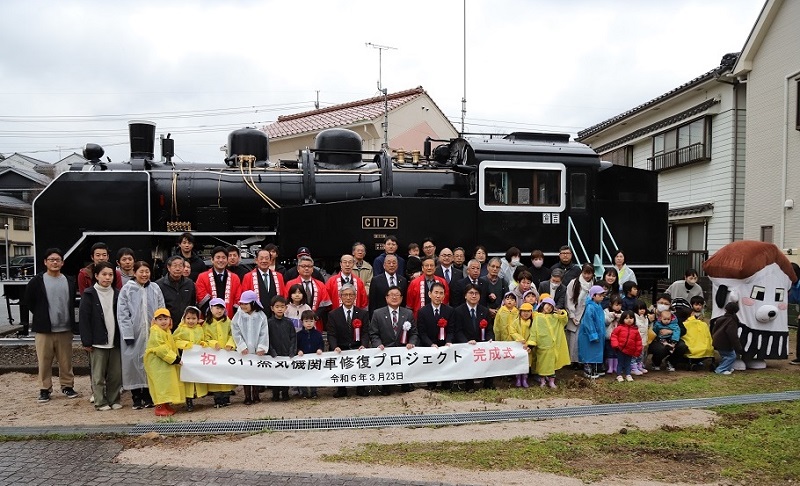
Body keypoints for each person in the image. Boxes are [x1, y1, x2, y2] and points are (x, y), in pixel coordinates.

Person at [25, 248, 80, 403]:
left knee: (66, 361)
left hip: (65, 329)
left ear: (62, 262)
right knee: (44, 361)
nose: (55, 262)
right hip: (44, 330)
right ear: (45, 262)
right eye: (51, 260)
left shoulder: (69, 281)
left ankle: (67, 386)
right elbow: (29, 301)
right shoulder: (37, 281)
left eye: (57, 259)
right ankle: (44, 389)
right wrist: (41, 315)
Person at [118, 261, 165, 409]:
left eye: (147, 271)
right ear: (135, 272)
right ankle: (136, 397)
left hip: (152, 333)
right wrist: (127, 333)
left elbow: (161, 310)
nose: (144, 275)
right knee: (132, 364)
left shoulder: (155, 288)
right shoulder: (127, 290)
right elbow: (122, 314)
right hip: (134, 333)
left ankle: (148, 395)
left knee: (150, 364)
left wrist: (161, 330)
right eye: (141, 272)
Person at [78, 261, 122, 411]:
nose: (107, 277)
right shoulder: (89, 294)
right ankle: (100, 401)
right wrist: (86, 341)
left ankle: (114, 399)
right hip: (97, 342)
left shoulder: (117, 293)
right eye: (104, 274)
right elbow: (84, 319)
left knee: (115, 375)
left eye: (110, 274)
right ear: (96, 276)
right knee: (98, 376)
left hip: (115, 341)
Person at [369, 285, 417, 395]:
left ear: (401, 298)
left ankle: (406, 384)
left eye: (397, 295)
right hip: (386, 349)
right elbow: (373, 333)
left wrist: (411, 342)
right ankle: (386, 386)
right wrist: (378, 344)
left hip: (403, 349)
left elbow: (414, 332)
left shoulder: (408, 313)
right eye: (391, 295)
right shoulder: (377, 313)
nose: (394, 297)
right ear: (386, 298)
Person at [327, 283, 369, 398]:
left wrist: (364, 345)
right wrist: (335, 346)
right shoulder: (333, 314)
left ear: (355, 296)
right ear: (341, 297)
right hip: (341, 347)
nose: (348, 297)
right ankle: (341, 389)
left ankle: (361, 388)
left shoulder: (363, 313)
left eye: (351, 295)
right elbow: (331, 334)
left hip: (357, 346)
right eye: (345, 295)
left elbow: (365, 333)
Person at [453, 283, 494, 391]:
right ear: (465, 295)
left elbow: (489, 329)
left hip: (482, 343)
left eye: (476, 293)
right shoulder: (458, 311)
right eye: (471, 293)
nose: (474, 296)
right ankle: (469, 385)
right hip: (466, 343)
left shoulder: (484, 311)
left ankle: (488, 383)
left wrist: (490, 339)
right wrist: (466, 342)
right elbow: (457, 331)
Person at [144, 308, 184, 417]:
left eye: (165, 318)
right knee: (160, 384)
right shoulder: (156, 331)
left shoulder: (166, 331)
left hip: (165, 363)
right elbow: (161, 348)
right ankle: (160, 407)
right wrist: (175, 358)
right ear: (155, 321)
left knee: (166, 384)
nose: (163, 321)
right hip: (157, 364)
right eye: (160, 319)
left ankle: (165, 404)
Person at [231, 290, 269, 405]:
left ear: (253, 303)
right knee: (246, 374)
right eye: (241, 304)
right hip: (244, 351)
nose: (243, 306)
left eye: (246, 304)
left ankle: (256, 394)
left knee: (256, 373)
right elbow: (235, 332)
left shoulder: (261, 316)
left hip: (257, 350)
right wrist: (241, 346)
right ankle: (247, 396)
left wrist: (261, 347)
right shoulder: (238, 316)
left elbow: (264, 333)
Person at [527, 297, 570, 388]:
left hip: (553, 346)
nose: (549, 308)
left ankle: (551, 381)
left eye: (551, 306)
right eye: (548, 305)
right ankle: (542, 381)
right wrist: (531, 344)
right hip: (543, 345)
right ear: (542, 305)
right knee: (542, 365)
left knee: (552, 365)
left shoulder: (554, 317)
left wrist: (562, 313)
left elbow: (564, 320)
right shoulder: (537, 317)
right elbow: (534, 331)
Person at [172, 306, 208, 412]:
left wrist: (203, 343)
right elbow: (175, 340)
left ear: (198, 319)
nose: (191, 321)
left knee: (196, 378)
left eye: (193, 318)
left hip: (196, 358)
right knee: (187, 379)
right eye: (188, 318)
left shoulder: (200, 329)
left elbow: (204, 339)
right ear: (184, 318)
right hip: (185, 358)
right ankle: (188, 400)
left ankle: (195, 395)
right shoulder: (181, 329)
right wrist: (185, 344)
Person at [284, 255, 332, 331]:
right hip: (295, 322)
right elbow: (286, 302)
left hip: (315, 321)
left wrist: (313, 317)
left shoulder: (320, 285)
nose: (306, 268)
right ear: (298, 268)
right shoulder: (290, 284)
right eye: (303, 266)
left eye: (309, 266)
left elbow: (325, 304)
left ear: (313, 269)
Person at [203, 298, 235, 407]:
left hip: (227, 353)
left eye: (221, 308)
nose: (219, 311)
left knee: (227, 375)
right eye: (216, 308)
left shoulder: (228, 321)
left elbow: (233, 334)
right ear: (211, 309)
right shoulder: (206, 324)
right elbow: (205, 338)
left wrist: (230, 343)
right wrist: (213, 343)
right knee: (215, 376)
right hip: (214, 354)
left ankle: (226, 397)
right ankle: (217, 399)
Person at [195, 246, 242, 318]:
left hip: (229, 320)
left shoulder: (235, 278)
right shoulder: (202, 277)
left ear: (227, 260)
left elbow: (238, 298)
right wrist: (211, 315)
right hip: (208, 320)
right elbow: (201, 298)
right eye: (218, 257)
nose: (221, 260)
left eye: (223, 258)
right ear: (212, 260)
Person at [239, 248, 285, 319]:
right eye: (261, 258)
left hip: (275, 317)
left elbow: (283, 295)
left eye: (267, 258)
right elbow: (245, 299)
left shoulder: (279, 276)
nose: (264, 261)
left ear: (270, 261)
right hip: (255, 317)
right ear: (256, 260)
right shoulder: (248, 277)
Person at [267, 295, 297, 401]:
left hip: (286, 353)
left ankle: (285, 393)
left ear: (286, 308)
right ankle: (275, 394)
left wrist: (292, 350)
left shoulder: (288, 322)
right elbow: (267, 339)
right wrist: (271, 351)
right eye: (277, 306)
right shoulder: (269, 323)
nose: (280, 309)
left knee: (285, 374)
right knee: (274, 374)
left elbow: (293, 337)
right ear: (272, 308)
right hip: (274, 354)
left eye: (282, 306)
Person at [565, 264, 595, 368]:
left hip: (588, 314)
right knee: (574, 339)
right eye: (585, 273)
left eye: (589, 273)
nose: (587, 276)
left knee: (585, 338)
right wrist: (572, 315)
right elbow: (569, 299)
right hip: (576, 314)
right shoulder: (574, 283)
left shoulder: (593, 284)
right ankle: (574, 361)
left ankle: (584, 360)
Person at [155, 255, 196, 330]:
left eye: (180, 266)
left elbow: (192, 303)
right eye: (175, 266)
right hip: (166, 325)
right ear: (169, 267)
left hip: (186, 325)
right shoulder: (159, 284)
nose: (178, 269)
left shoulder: (189, 283)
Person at [578, 285, 606, 379]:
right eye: (600, 295)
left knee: (595, 352)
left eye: (603, 295)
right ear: (593, 295)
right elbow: (588, 323)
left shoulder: (598, 306)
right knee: (589, 352)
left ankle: (595, 367)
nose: (602, 297)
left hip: (598, 333)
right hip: (589, 335)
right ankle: (587, 368)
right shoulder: (590, 307)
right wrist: (593, 335)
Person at [297, 309, 325, 399]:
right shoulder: (299, 335)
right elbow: (295, 345)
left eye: (311, 321)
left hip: (314, 359)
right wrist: (298, 351)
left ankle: (314, 392)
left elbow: (321, 344)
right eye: (306, 321)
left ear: (315, 322)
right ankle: (304, 392)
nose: (309, 323)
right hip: (302, 360)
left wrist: (320, 349)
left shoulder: (318, 334)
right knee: (302, 375)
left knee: (313, 375)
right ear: (302, 322)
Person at [610, 310, 644, 382]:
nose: (629, 320)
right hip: (620, 349)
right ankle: (619, 375)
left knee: (628, 363)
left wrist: (638, 351)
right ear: (623, 319)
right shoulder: (619, 328)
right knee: (620, 362)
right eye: (627, 318)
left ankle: (628, 374)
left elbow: (638, 341)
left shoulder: (635, 330)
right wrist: (615, 345)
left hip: (630, 350)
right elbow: (613, 336)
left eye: (631, 318)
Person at [711, 302, 743, 375]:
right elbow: (732, 335)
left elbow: (714, 329)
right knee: (731, 356)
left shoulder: (721, 318)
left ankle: (726, 367)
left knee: (726, 356)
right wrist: (738, 346)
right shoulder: (732, 321)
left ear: (725, 309)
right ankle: (720, 369)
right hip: (724, 342)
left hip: (717, 341)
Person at [509, 302, 533, 388]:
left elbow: (534, 334)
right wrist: (520, 339)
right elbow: (512, 331)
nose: (526, 313)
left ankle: (525, 379)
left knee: (526, 363)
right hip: (518, 345)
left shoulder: (533, 323)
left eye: (528, 311)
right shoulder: (516, 322)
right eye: (523, 311)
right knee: (518, 363)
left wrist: (530, 343)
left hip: (528, 347)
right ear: (520, 312)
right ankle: (518, 378)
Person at [604, 295, 623, 375]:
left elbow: (624, 322)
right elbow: (605, 321)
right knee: (610, 352)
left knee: (617, 352)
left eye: (619, 305)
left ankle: (616, 366)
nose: (618, 307)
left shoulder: (622, 313)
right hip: (609, 336)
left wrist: (619, 318)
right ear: (611, 304)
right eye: (616, 305)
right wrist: (612, 316)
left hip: (619, 337)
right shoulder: (606, 311)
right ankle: (610, 366)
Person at [632, 300, 651, 375]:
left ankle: (640, 366)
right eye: (640, 309)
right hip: (635, 341)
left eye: (643, 309)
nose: (642, 311)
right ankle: (633, 368)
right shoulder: (634, 317)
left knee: (641, 355)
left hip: (643, 340)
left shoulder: (646, 318)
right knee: (634, 355)